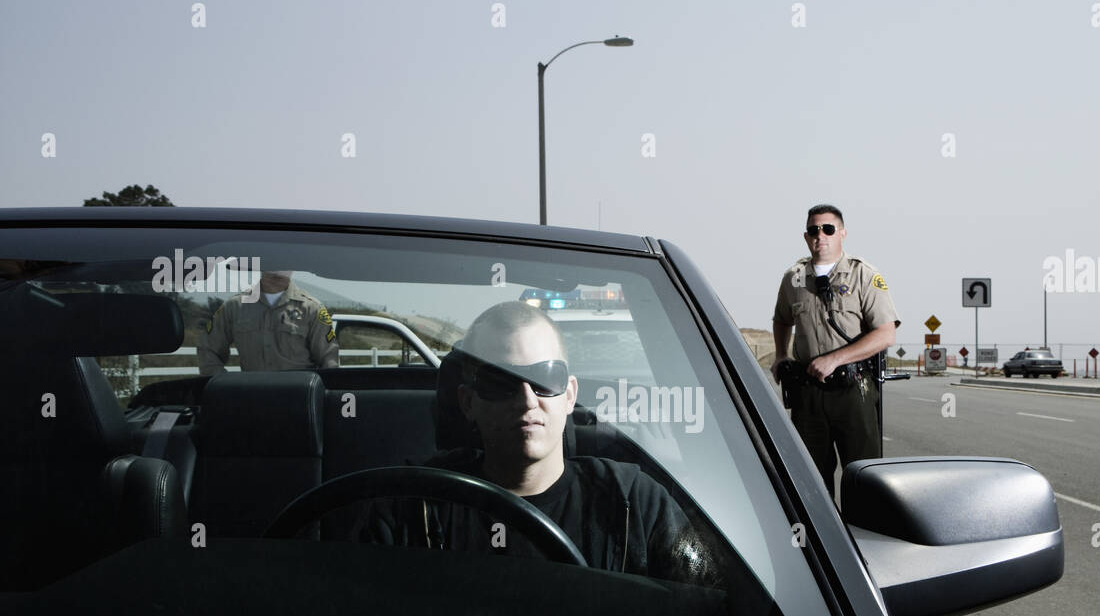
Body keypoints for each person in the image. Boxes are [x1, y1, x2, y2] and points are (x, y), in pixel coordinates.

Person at [355, 301, 715, 584]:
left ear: (570, 394)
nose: (528, 400)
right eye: (501, 381)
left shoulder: (635, 504)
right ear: (468, 402)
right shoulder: (411, 507)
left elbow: (712, 612)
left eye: (544, 378)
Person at [771, 204, 900, 497]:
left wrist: (835, 359)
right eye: (814, 230)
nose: (821, 236)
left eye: (828, 229)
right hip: (808, 393)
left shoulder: (862, 275)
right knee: (810, 478)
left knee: (863, 476)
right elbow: (781, 319)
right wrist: (781, 355)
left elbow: (886, 333)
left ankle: (864, 538)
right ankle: (821, 540)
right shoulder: (794, 278)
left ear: (841, 233)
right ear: (806, 237)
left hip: (853, 389)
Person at [197, 270, 339, 376]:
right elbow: (208, 349)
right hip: (249, 400)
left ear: (292, 266)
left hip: (299, 400)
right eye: (271, 261)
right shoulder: (234, 306)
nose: (277, 269)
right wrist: (224, 387)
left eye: (282, 262)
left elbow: (329, 360)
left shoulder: (312, 308)